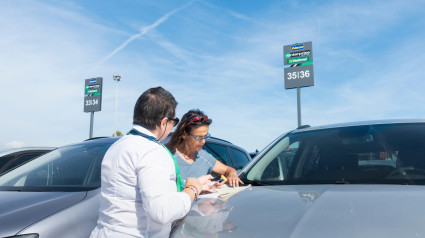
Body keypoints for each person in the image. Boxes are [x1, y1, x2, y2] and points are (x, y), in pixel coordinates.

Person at [90, 87, 213, 238]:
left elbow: (133, 191)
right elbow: (161, 212)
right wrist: (193, 189)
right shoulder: (152, 151)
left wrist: (194, 184)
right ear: (163, 122)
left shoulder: (116, 147)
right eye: (174, 121)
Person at [166, 109, 243, 187]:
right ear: (184, 134)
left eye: (205, 136)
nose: (203, 141)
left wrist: (232, 173)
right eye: (199, 138)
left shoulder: (203, 157)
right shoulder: (167, 156)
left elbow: (228, 170)